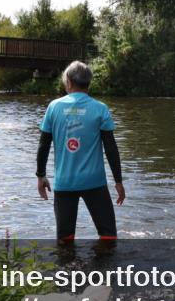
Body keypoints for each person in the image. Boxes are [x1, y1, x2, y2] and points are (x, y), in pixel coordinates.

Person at [35, 60, 125, 243]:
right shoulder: (100, 109)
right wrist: (118, 181)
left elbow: (43, 145)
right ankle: (105, 261)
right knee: (108, 237)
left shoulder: (54, 107)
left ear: (68, 82)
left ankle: (67, 262)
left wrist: (41, 176)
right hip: (95, 182)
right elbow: (111, 148)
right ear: (88, 83)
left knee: (65, 240)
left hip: (64, 182)